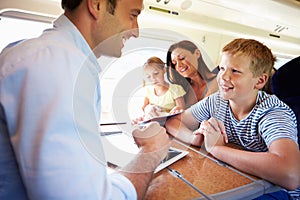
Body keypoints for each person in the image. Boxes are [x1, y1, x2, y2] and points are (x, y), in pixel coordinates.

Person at [0, 0, 172, 200]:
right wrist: (150, 152)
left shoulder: (53, 55)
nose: (136, 31)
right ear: (97, 5)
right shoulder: (58, 64)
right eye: (132, 15)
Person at [165, 38, 300, 199]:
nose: (223, 77)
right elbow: (174, 121)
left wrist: (217, 149)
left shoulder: (272, 112)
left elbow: (291, 175)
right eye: (222, 68)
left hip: (275, 191)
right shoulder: (216, 101)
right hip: (235, 176)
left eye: (235, 71)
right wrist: (195, 139)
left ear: (260, 81)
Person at [166, 40, 219, 107]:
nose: (179, 65)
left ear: (197, 53)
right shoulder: (182, 90)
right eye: (175, 63)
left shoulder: (220, 80)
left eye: (182, 58)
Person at [138, 56, 186, 122]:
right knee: (149, 108)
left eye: (156, 73)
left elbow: (182, 110)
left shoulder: (175, 89)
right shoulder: (148, 91)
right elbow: (144, 108)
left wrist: (175, 111)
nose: (153, 79)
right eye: (148, 76)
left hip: (170, 121)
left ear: (164, 70)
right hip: (153, 120)